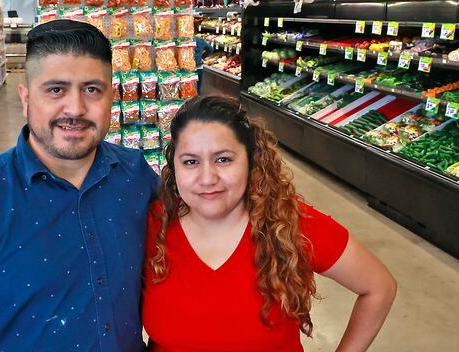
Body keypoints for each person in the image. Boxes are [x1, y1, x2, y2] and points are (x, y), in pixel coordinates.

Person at [0, 20, 158, 351]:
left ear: (111, 97)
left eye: (91, 89)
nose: (75, 108)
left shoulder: (137, 176)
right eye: (55, 89)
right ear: (26, 98)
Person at [143, 96, 396, 352]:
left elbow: (378, 287)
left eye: (223, 159)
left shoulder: (288, 223)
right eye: (191, 162)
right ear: (174, 167)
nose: (207, 178)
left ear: (251, 161)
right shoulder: (152, 225)